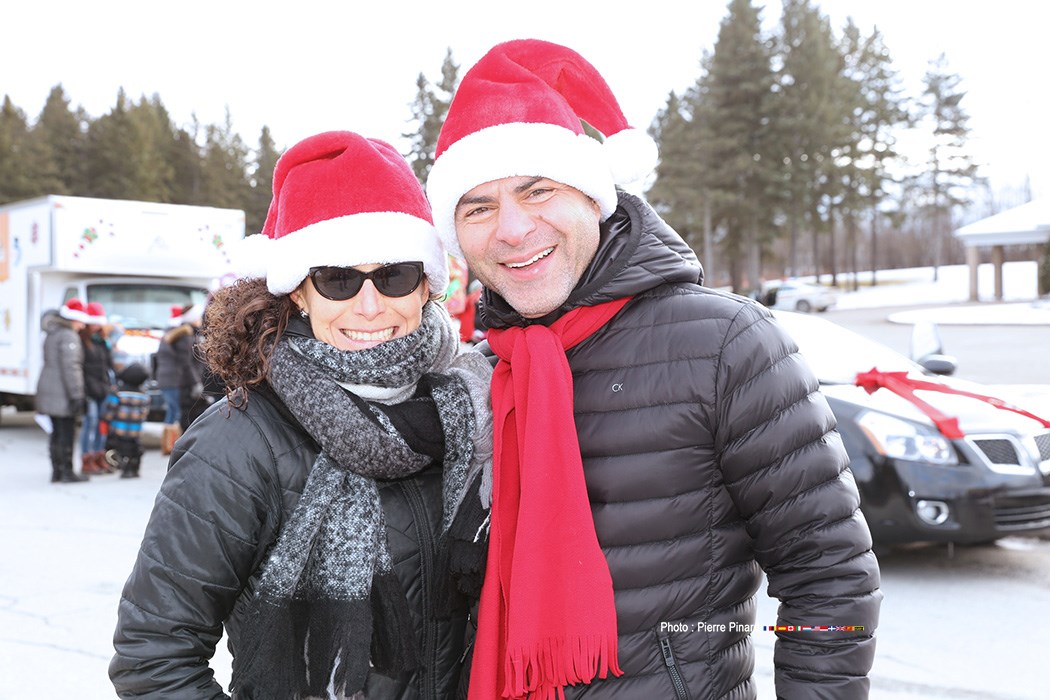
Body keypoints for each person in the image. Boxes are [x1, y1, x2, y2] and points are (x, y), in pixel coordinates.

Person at [425, 39, 882, 700]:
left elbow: (829, 572)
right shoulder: (479, 373)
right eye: (478, 207)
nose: (513, 228)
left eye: (538, 190)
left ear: (593, 197)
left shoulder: (725, 342)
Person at [110, 131, 493, 699]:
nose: (369, 305)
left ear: (426, 287)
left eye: (394, 276)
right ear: (298, 294)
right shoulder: (236, 443)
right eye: (337, 278)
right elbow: (154, 657)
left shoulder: (476, 410)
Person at [36, 299, 89, 483]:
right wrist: (77, 395)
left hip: (49, 389)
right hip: (63, 392)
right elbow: (71, 368)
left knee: (55, 433)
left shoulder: (52, 333)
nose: (83, 325)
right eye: (81, 321)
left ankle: (56, 471)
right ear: (74, 319)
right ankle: (67, 472)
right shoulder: (68, 336)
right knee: (66, 433)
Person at [153, 303, 201, 453]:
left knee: (172, 410)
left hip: (167, 378)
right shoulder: (184, 335)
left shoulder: (173, 333)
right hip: (174, 379)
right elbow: (185, 361)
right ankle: (170, 445)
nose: (200, 320)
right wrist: (195, 381)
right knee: (175, 411)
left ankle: (169, 444)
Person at [79, 301, 116, 475]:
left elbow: (109, 366)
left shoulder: (103, 341)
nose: (96, 326)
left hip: (103, 388)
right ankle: (86, 458)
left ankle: (99, 456)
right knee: (90, 421)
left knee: (102, 424)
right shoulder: (82, 340)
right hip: (89, 389)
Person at [101, 362, 151, 479]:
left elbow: (110, 409)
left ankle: (126, 468)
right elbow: (145, 412)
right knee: (135, 448)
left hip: (120, 428)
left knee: (123, 449)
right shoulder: (144, 395)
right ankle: (135, 468)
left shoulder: (118, 393)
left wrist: (106, 418)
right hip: (136, 430)